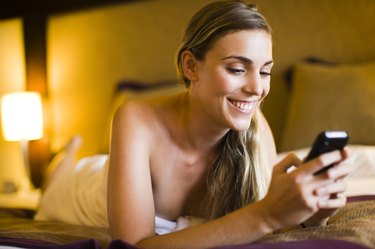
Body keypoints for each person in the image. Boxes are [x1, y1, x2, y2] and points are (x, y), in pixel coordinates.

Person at [36, 1, 354, 248]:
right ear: (191, 66)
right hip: (84, 187)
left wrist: (315, 214)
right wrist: (266, 215)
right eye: (237, 69)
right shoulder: (135, 117)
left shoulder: (255, 127)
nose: (257, 88)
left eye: (265, 71)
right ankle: (64, 159)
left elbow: (276, 217)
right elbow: (131, 246)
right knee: (55, 186)